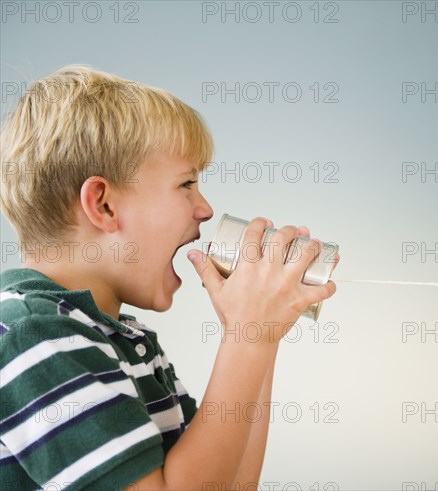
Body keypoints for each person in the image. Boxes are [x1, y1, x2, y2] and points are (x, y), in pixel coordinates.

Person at [0, 65, 337, 490]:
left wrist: (260, 336)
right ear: (103, 206)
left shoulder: (127, 342)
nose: (206, 209)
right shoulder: (34, 335)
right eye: (187, 184)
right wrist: (247, 337)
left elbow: (232, 484)